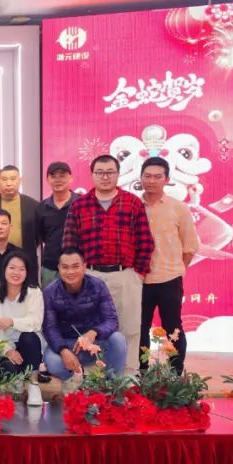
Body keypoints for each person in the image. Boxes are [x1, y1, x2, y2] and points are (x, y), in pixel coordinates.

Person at [62, 154, 154, 373]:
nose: (105, 177)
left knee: (130, 328)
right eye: (100, 172)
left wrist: (137, 274)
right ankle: (95, 377)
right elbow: (69, 246)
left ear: (118, 174)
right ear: (92, 175)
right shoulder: (79, 206)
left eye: (110, 172)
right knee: (90, 328)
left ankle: (129, 376)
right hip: (90, 277)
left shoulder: (132, 203)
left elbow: (145, 242)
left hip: (125, 275)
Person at [138, 157, 200, 374]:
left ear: (167, 179)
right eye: (147, 176)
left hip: (169, 279)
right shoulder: (133, 206)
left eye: (157, 177)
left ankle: (175, 372)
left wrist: (177, 270)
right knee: (139, 328)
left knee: (173, 327)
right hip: (139, 279)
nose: (151, 181)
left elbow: (190, 246)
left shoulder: (178, 208)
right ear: (140, 178)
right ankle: (141, 372)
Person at [42, 248, 127, 384]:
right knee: (53, 363)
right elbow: (49, 328)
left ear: (84, 266)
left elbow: (111, 320)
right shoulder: (50, 292)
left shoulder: (98, 286)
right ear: (59, 268)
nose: (70, 272)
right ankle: (77, 383)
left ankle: (113, 386)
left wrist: (94, 332)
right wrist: (63, 350)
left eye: (75, 266)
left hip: (94, 343)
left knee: (118, 339)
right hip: (66, 344)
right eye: (65, 267)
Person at [0, 250, 44, 378]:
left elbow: (36, 322)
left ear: (27, 272)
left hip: (28, 346)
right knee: (8, 370)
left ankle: (33, 381)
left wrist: (12, 322)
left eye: (21, 269)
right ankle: (19, 378)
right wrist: (8, 350)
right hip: (4, 345)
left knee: (29, 337)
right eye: (12, 268)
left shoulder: (34, 293)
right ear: (4, 269)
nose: (16, 273)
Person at [0, 165, 40, 271]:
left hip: (25, 261)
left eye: (13, 179)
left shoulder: (34, 206)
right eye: (4, 179)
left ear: (20, 181)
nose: (9, 183)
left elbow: (38, 236)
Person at [35, 161, 74, 288]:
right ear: (48, 179)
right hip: (50, 268)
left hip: (75, 266)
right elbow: (41, 236)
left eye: (62, 176)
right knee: (49, 299)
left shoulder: (80, 203)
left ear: (70, 177)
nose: (58, 180)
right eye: (53, 176)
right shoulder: (41, 207)